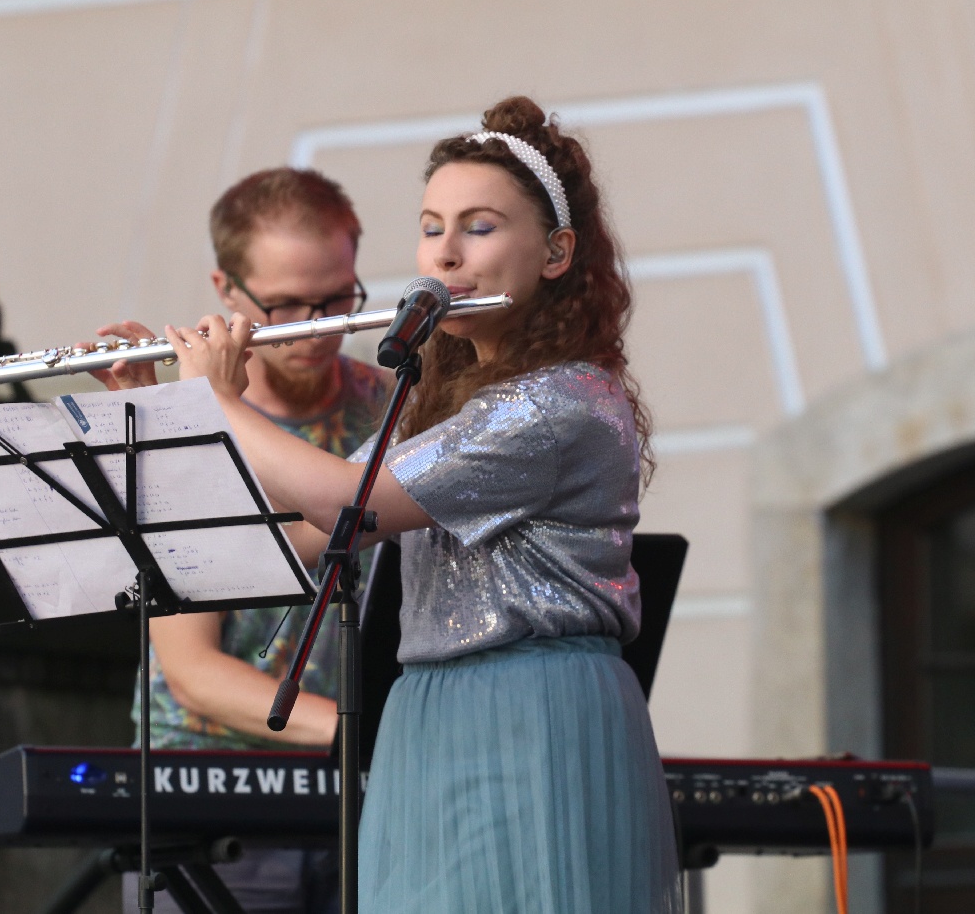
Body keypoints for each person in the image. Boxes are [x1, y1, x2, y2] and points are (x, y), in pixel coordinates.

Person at [145, 97, 680, 912]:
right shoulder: (442, 401)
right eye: (432, 228)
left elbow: (348, 504)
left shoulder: (561, 402)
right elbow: (297, 530)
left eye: (480, 227)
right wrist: (160, 411)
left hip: (527, 711)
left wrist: (217, 403)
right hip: (432, 711)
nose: (447, 254)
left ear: (556, 251)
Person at [95, 167, 390, 913]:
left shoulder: (393, 405)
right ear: (225, 289)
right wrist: (372, 734)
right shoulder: (180, 421)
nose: (318, 327)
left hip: (363, 798)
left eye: (337, 298)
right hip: (210, 801)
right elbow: (194, 671)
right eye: (285, 305)